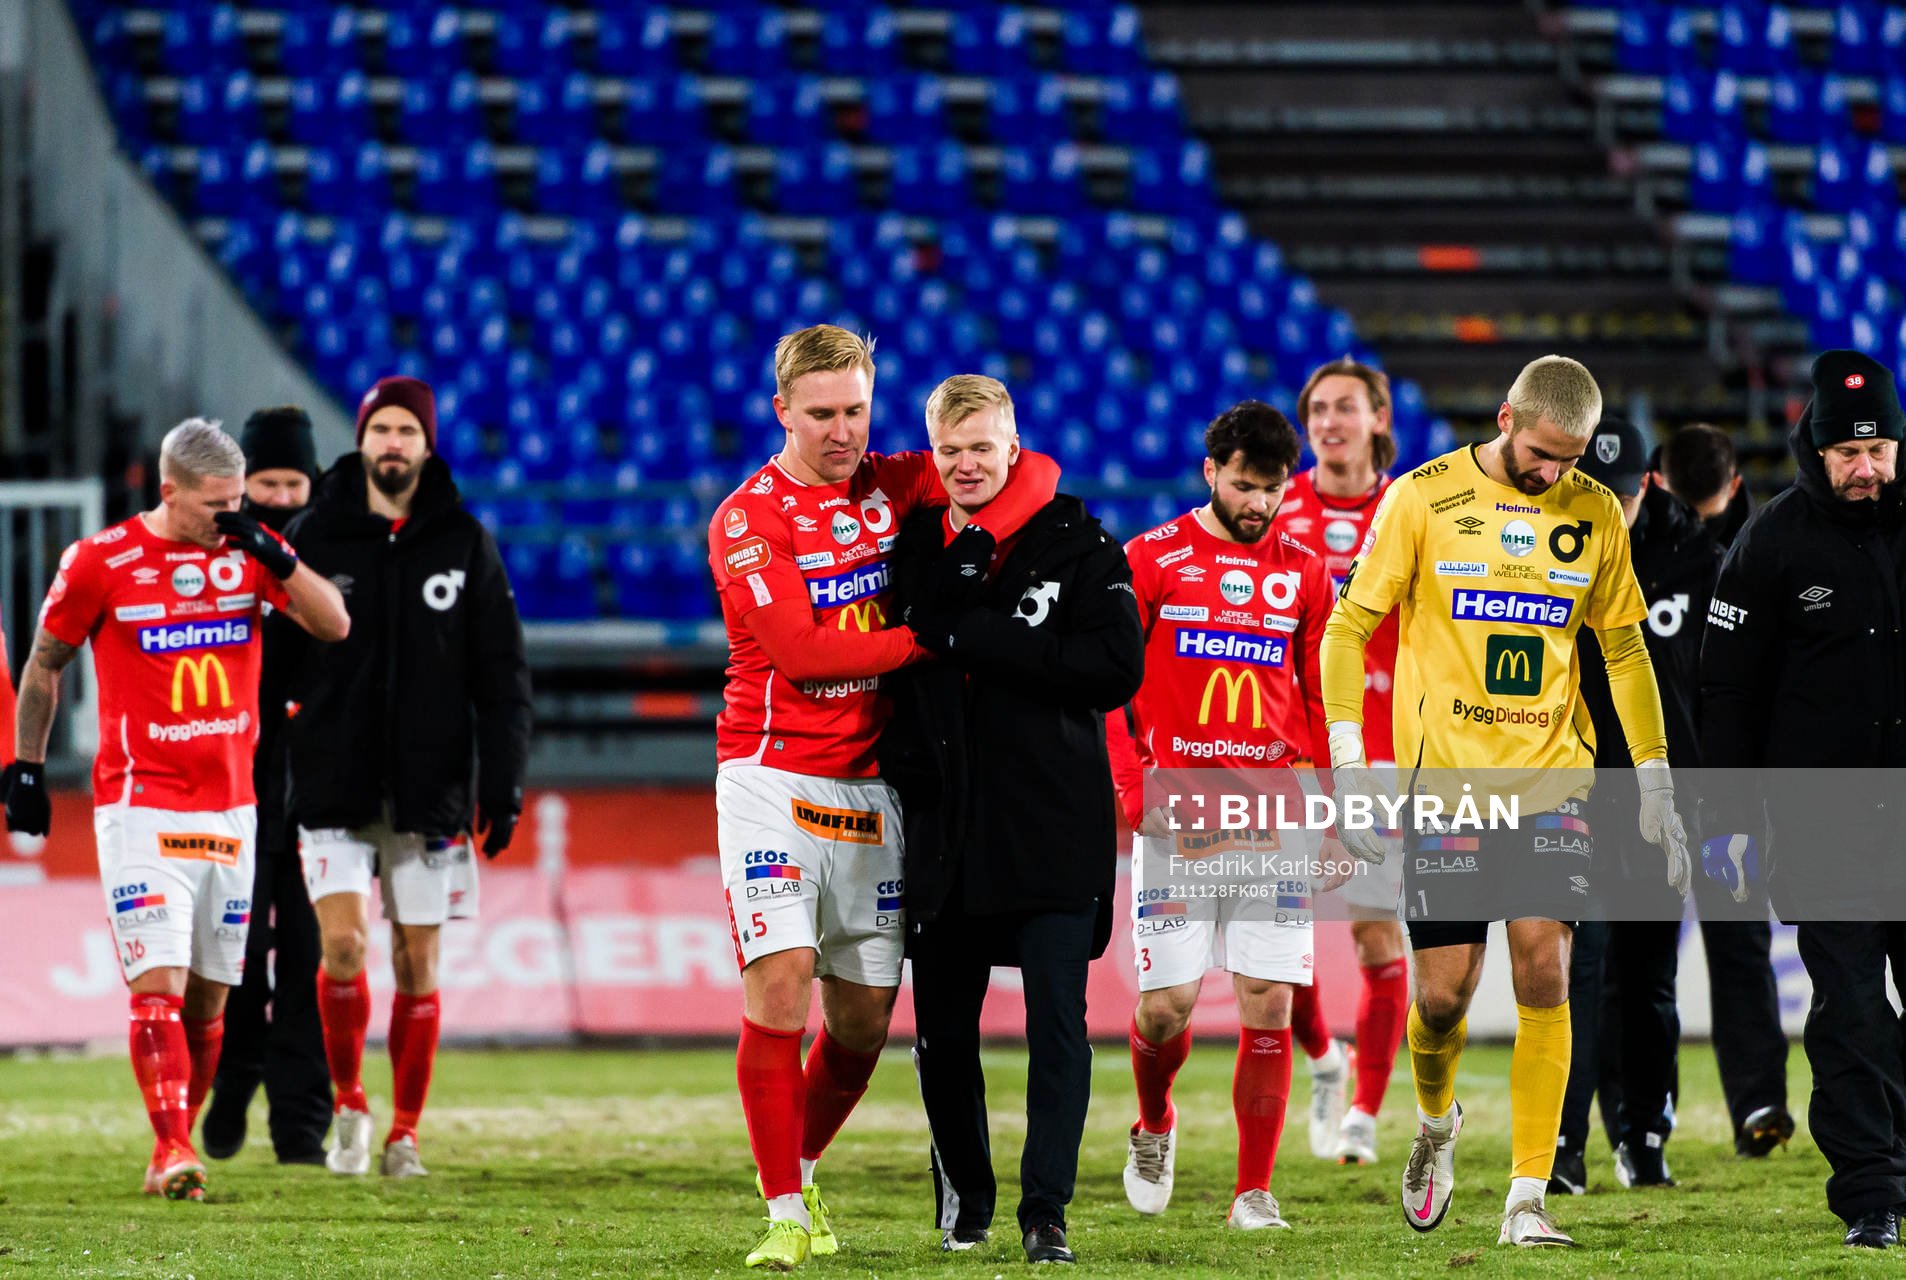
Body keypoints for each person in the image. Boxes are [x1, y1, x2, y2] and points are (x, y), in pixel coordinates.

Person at [1321, 354, 1691, 1247]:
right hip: (1445, 786)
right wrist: (1349, 758)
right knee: (1443, 1000)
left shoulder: (1596, 512)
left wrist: (1652, 778)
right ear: (1504, 418)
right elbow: (1349, 627)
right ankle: (1436, 1125)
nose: (1553, 473)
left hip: (1553, 782)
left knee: (1545, 966)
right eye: (1540, 455)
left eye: (1568, 461)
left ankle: (1528, 1195)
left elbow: (1626, 652)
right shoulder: (1421, 498)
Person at [707, 329, 1057, 1272]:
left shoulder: (894, 484)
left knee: (861, 1025)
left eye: (856, 411)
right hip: (771, 778)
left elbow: (1034, 471)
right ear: (782, 411)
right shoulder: (750, 518)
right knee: (780, 988)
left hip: (874, 791)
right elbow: (805, 656)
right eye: (821, 414)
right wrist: (937, 639)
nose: (841, 433)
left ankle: (802, 1166)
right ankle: (782, 1209)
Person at [1, 418, 348, 1200]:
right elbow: (45, 660)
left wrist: (278, 556)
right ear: (168, 490)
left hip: (232, 807)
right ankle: (171, 1150)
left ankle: (176, 1142)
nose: (230, 519)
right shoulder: (101, 561)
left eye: (238, 503)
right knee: (155, 983)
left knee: (209, 998)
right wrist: (24, 766)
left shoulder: (249, 556)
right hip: (140, 802)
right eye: (214, 506)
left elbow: (335, 623)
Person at [880, 374, 1143, 1265]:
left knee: (1056, 1031)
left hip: (1054, 825)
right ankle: (966, 1201)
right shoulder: (912, 543)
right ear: (933, 450)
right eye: (949, 450)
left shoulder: (1080, 543)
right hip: (947, 828)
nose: (965, 465)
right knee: (943, 1033)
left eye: (981, 448)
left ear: (1013, 445)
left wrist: (977, 637)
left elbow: (1114, 670)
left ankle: (1047, 1211)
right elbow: (912, 631)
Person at [280, 376, 531, 1181]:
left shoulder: (463, 540)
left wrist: (505, 783)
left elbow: (502, 674)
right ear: (362, 440)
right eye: (381, 429)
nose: (393, 444)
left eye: (406, 431)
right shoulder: (315, 533)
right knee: (345, 945)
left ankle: (405, 1133)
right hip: (334, 781)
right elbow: (277, 657)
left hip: (430, 791)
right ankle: (351, 1104)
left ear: (426, 445)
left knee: (419, 964)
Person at [1105, 400, 1337, 1231]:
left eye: (1273, 490)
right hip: (1178, 814)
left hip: (1274, 812)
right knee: (1166, 1006)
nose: (1260, 504)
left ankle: (1253, 1191)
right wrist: (1132, 791)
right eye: (1245, 486)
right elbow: (1109, 690)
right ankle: (1155, 1119)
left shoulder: (1307, 573)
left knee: (1268, 997)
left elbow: (1318, 697)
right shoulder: (1153, 558)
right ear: (1211, 472)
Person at [1699, 349, 1906, 1249]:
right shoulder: (1770, 541)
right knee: (1852, 1011)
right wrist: (1730, 823)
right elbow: (1727, 697)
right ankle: (1873, 1197)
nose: (1866, 469)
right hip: (1824, 821)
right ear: (1814, 451)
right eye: (1847, 454)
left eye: (1881, 451)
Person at [1551, 414, 1717, 1194]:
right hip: (1571, 793)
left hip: (1663, 796)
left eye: (1623, 493)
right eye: (1598, 491)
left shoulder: (1697, 558)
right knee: (1576, 973)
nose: (1611, 508)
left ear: (1647, 483)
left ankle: (1645, 1137)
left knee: (1649, 979)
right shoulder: (1534, 552)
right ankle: (1564, 1147)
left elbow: (1717, 686)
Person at [1275, 357, 1410, 1164]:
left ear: (1377, 418)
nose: (1330, 422)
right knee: (1278, 940)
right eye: (1318, 409)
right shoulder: (1275, 505)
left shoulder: (1411, 507)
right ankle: (1325, 1058)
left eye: (1346, 408)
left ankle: (1362, 1109)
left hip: (1381, 750)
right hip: (1292, 752)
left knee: (1372, 934)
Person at [200, 406, 333, 1165]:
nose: (281, 495)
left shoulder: (325, 561)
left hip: (315, 788)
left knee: (309, 963)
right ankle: (234, 1077)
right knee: (237, 957)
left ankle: (300, 1125)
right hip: (236, 780)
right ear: (242, 483)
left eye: (292, 480)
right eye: (266, 481)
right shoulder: (223, 558)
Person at [1655, 423, 1750, 547]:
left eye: (1711, 518)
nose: (1696, 525)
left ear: (1734, 486)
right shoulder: (1636, 504)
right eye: (1684, 513)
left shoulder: (1748, 535)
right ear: (1658, 482)